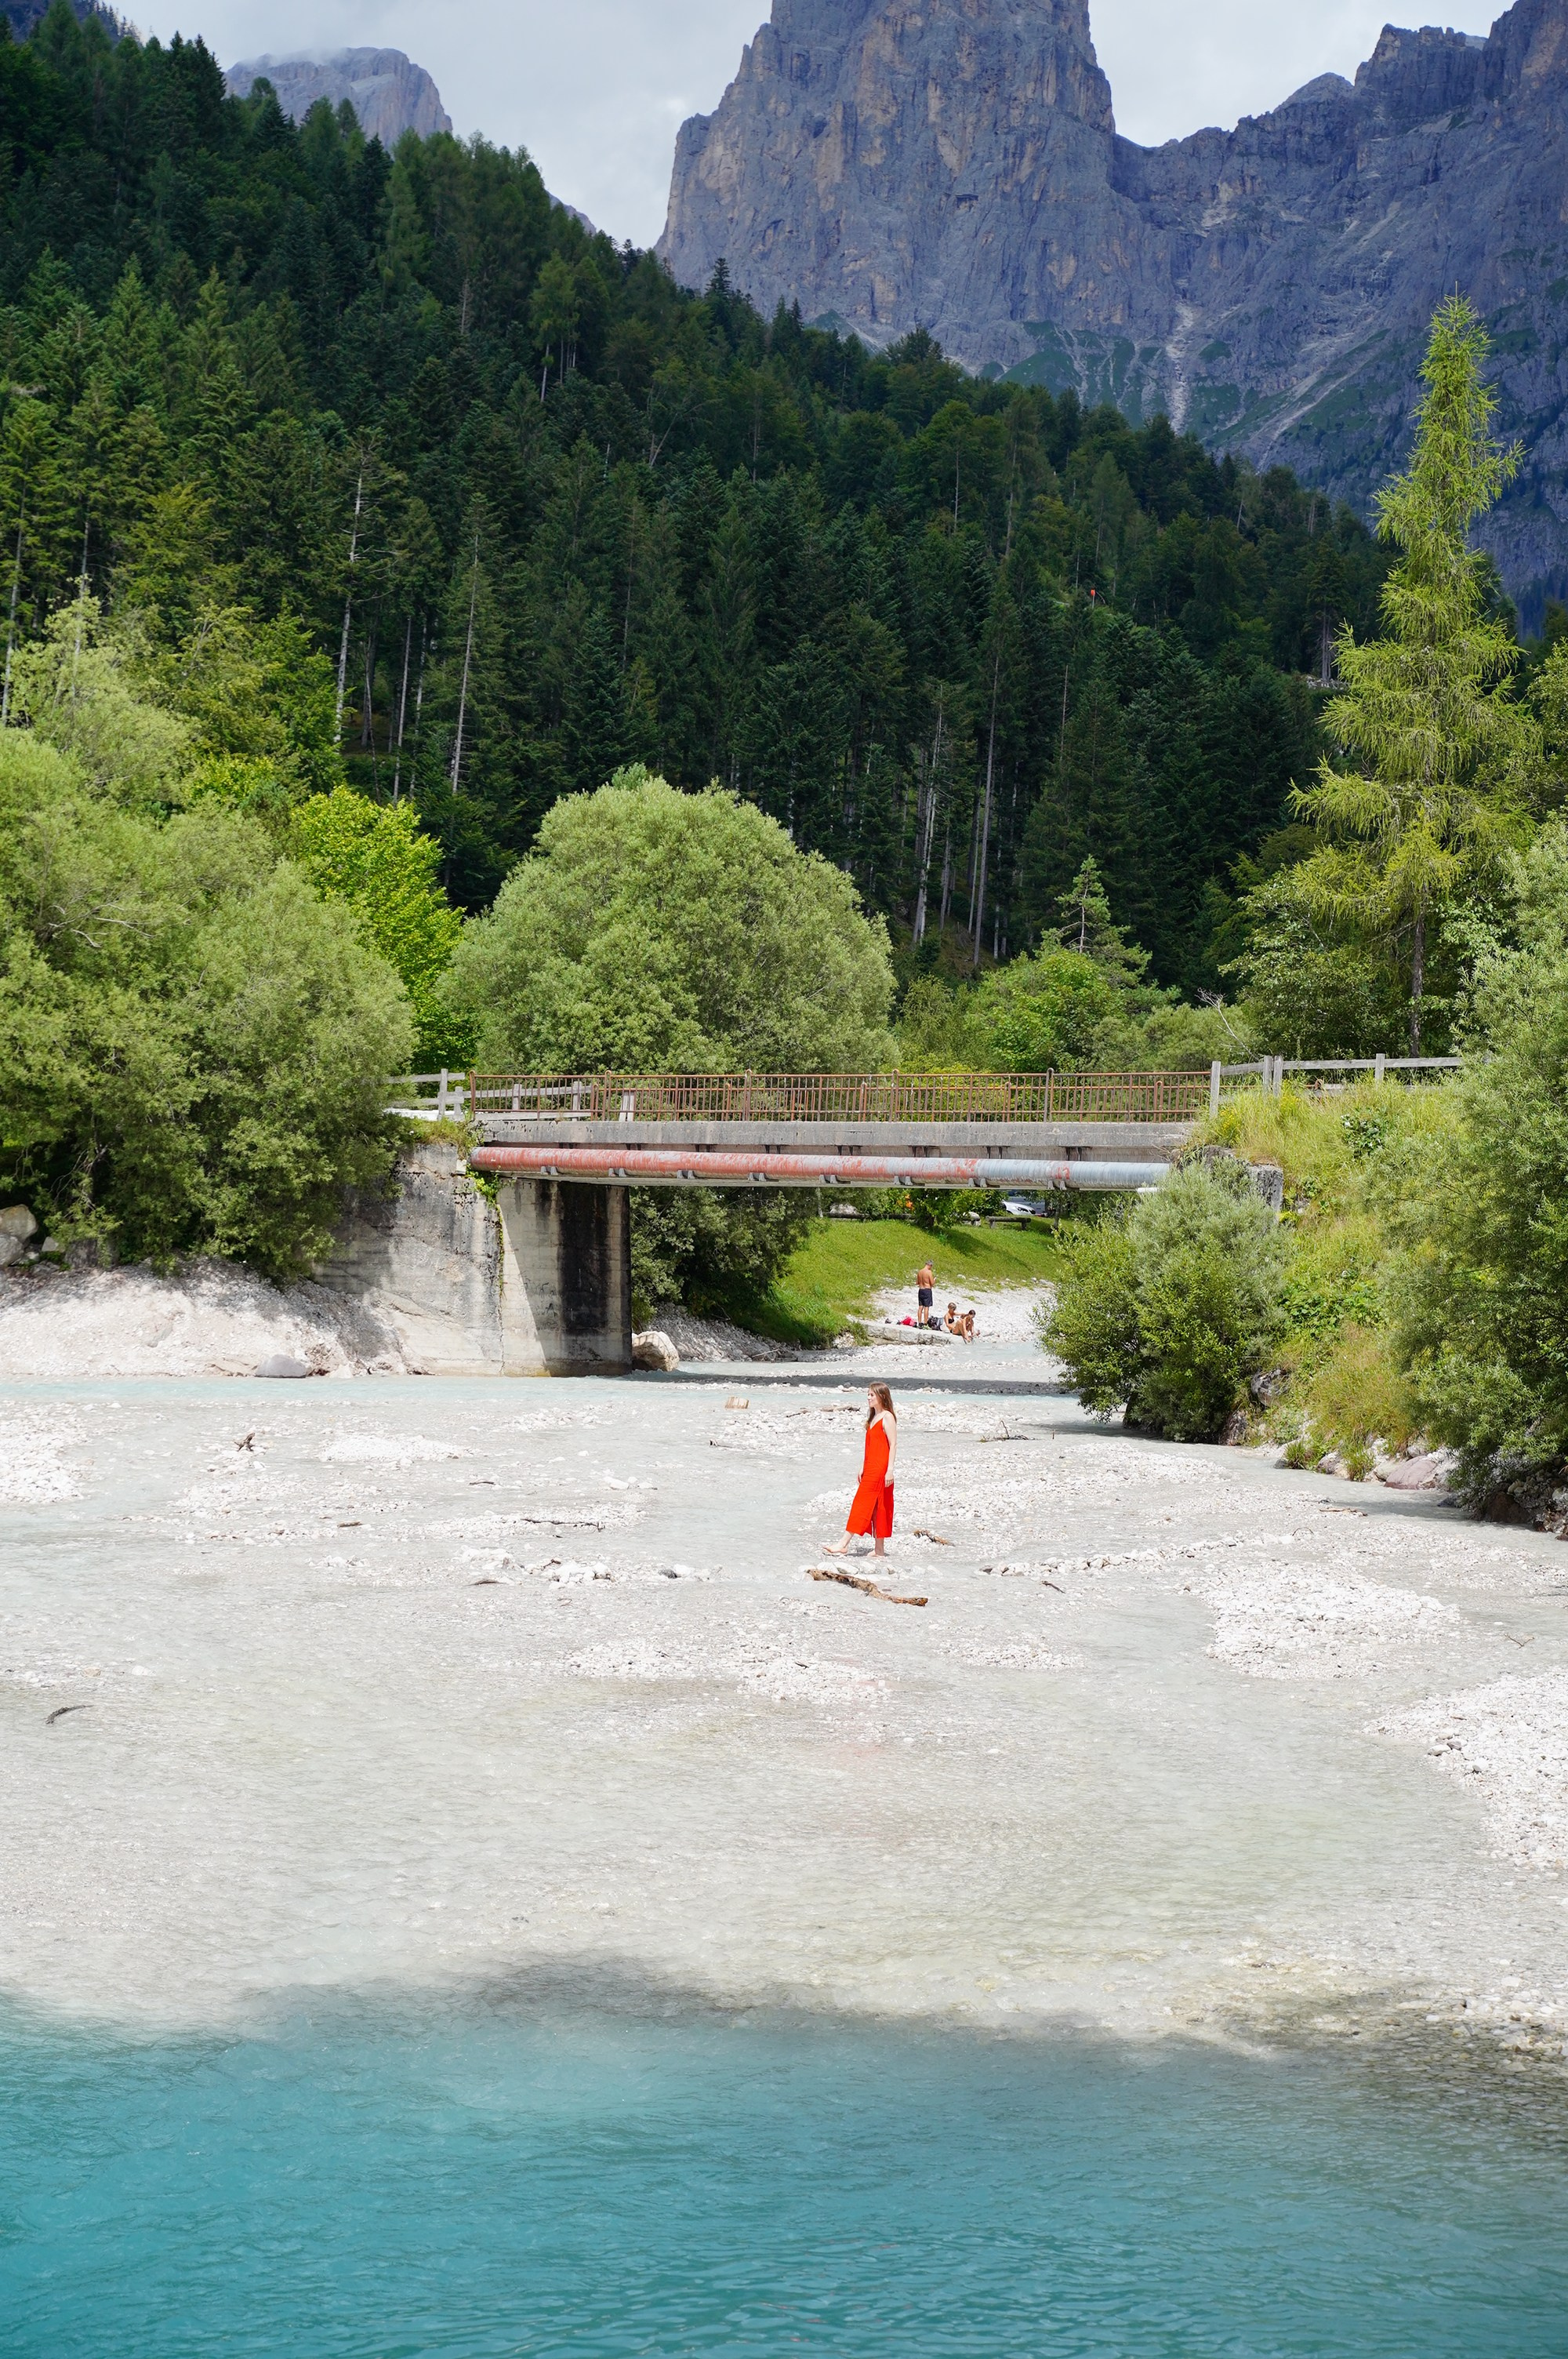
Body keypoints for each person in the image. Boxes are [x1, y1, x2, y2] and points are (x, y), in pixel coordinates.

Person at [824, 1384, 898, 1559]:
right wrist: (863, 1466)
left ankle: (843, 1544)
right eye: (868, 1395)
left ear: (882, 1396)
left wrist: (890, 1470)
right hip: (871, 1467)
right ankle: (879, 1550)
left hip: (880, 1469)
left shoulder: (887, 1417)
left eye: (872, 1395)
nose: (869, 1398)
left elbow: (893, 1444)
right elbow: (872, 1446)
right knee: (879, 1505)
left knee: (861, 1503)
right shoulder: (873, 1418)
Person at [916, 1259, 935, 1327]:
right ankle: (925, 1323)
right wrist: (934, 1280)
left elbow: (917, 1283)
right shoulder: (929, 1272)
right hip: (927, 1290)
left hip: (921, 1290)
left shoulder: (920, 1272)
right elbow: (932, 1283)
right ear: (930, 1265)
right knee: (927, 1307)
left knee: (920, 1307)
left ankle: (919, 1322)